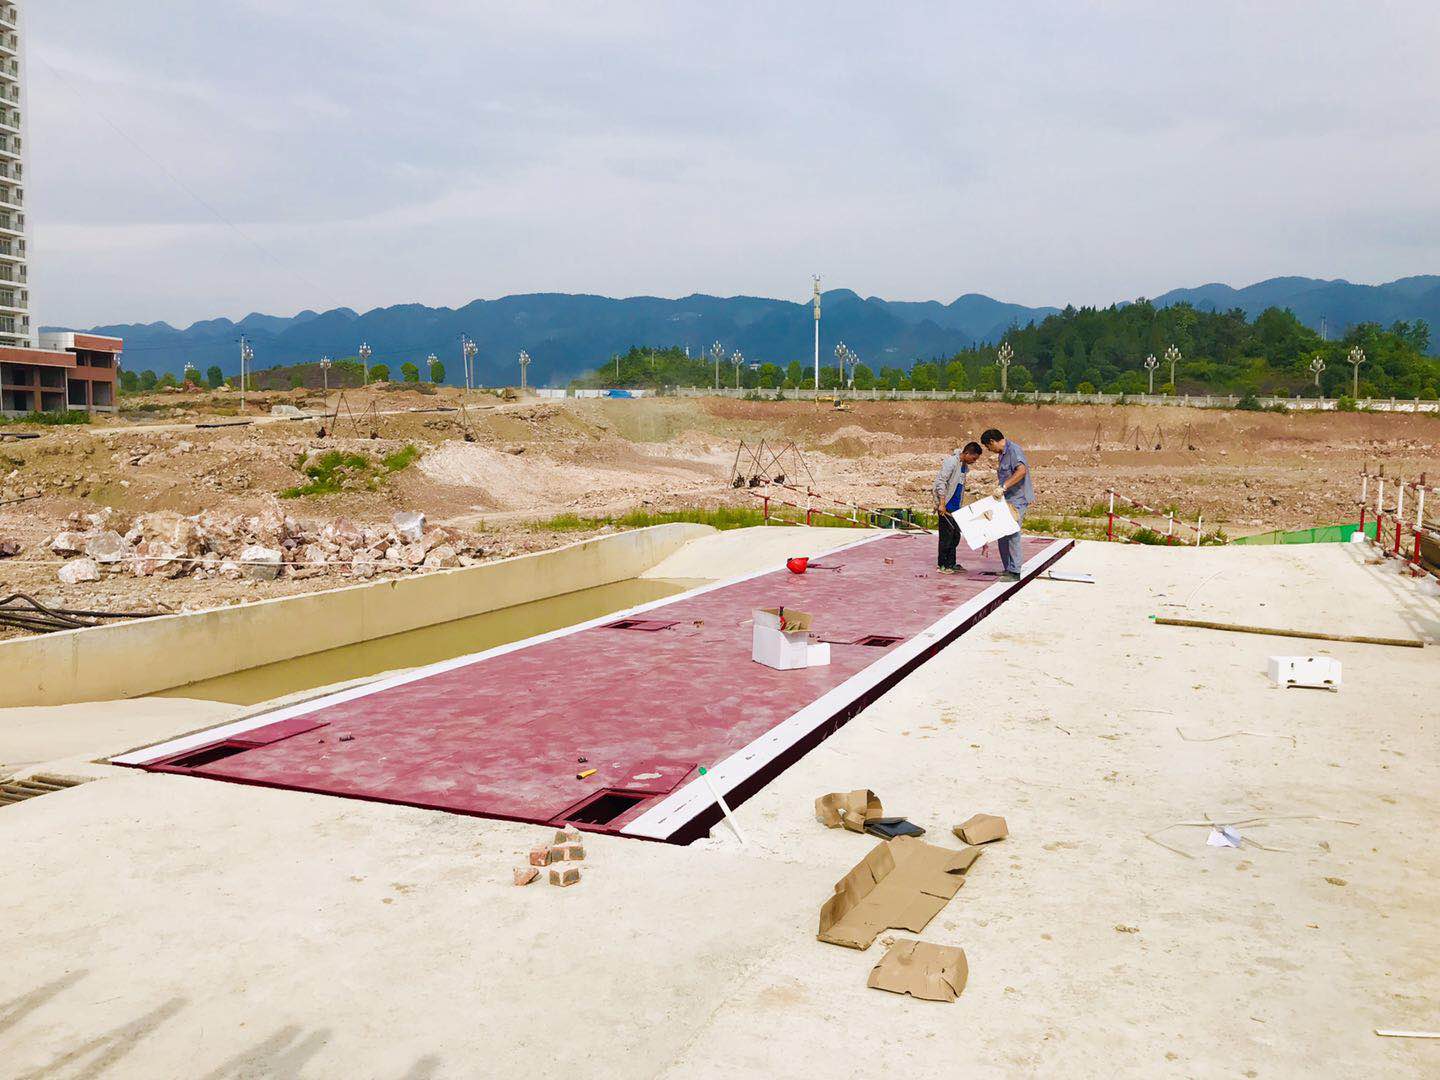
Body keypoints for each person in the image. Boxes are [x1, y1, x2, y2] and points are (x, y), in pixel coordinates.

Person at [981, 428, 1032, 581]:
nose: (989, 450)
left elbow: (1021, 471)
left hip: (1017, 499)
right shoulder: (1002, 455)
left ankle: (1015, 571)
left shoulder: (1014, 450)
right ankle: (1008, 568)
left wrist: (1004, 487)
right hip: (1006, 499)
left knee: (1012, 533)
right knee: (1002, 533)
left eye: (988, 447)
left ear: (992, 441)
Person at [932, 441, 982, 574]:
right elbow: (941, 482)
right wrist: (941, 504)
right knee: (946, 536)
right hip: (946, 505)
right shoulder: (951, 462)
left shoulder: (964, 467)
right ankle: (942, 565)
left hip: (955, 507)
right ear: (967, 453)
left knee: (955, 535)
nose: (974, 461)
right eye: (973, 458)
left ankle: (951, 563)